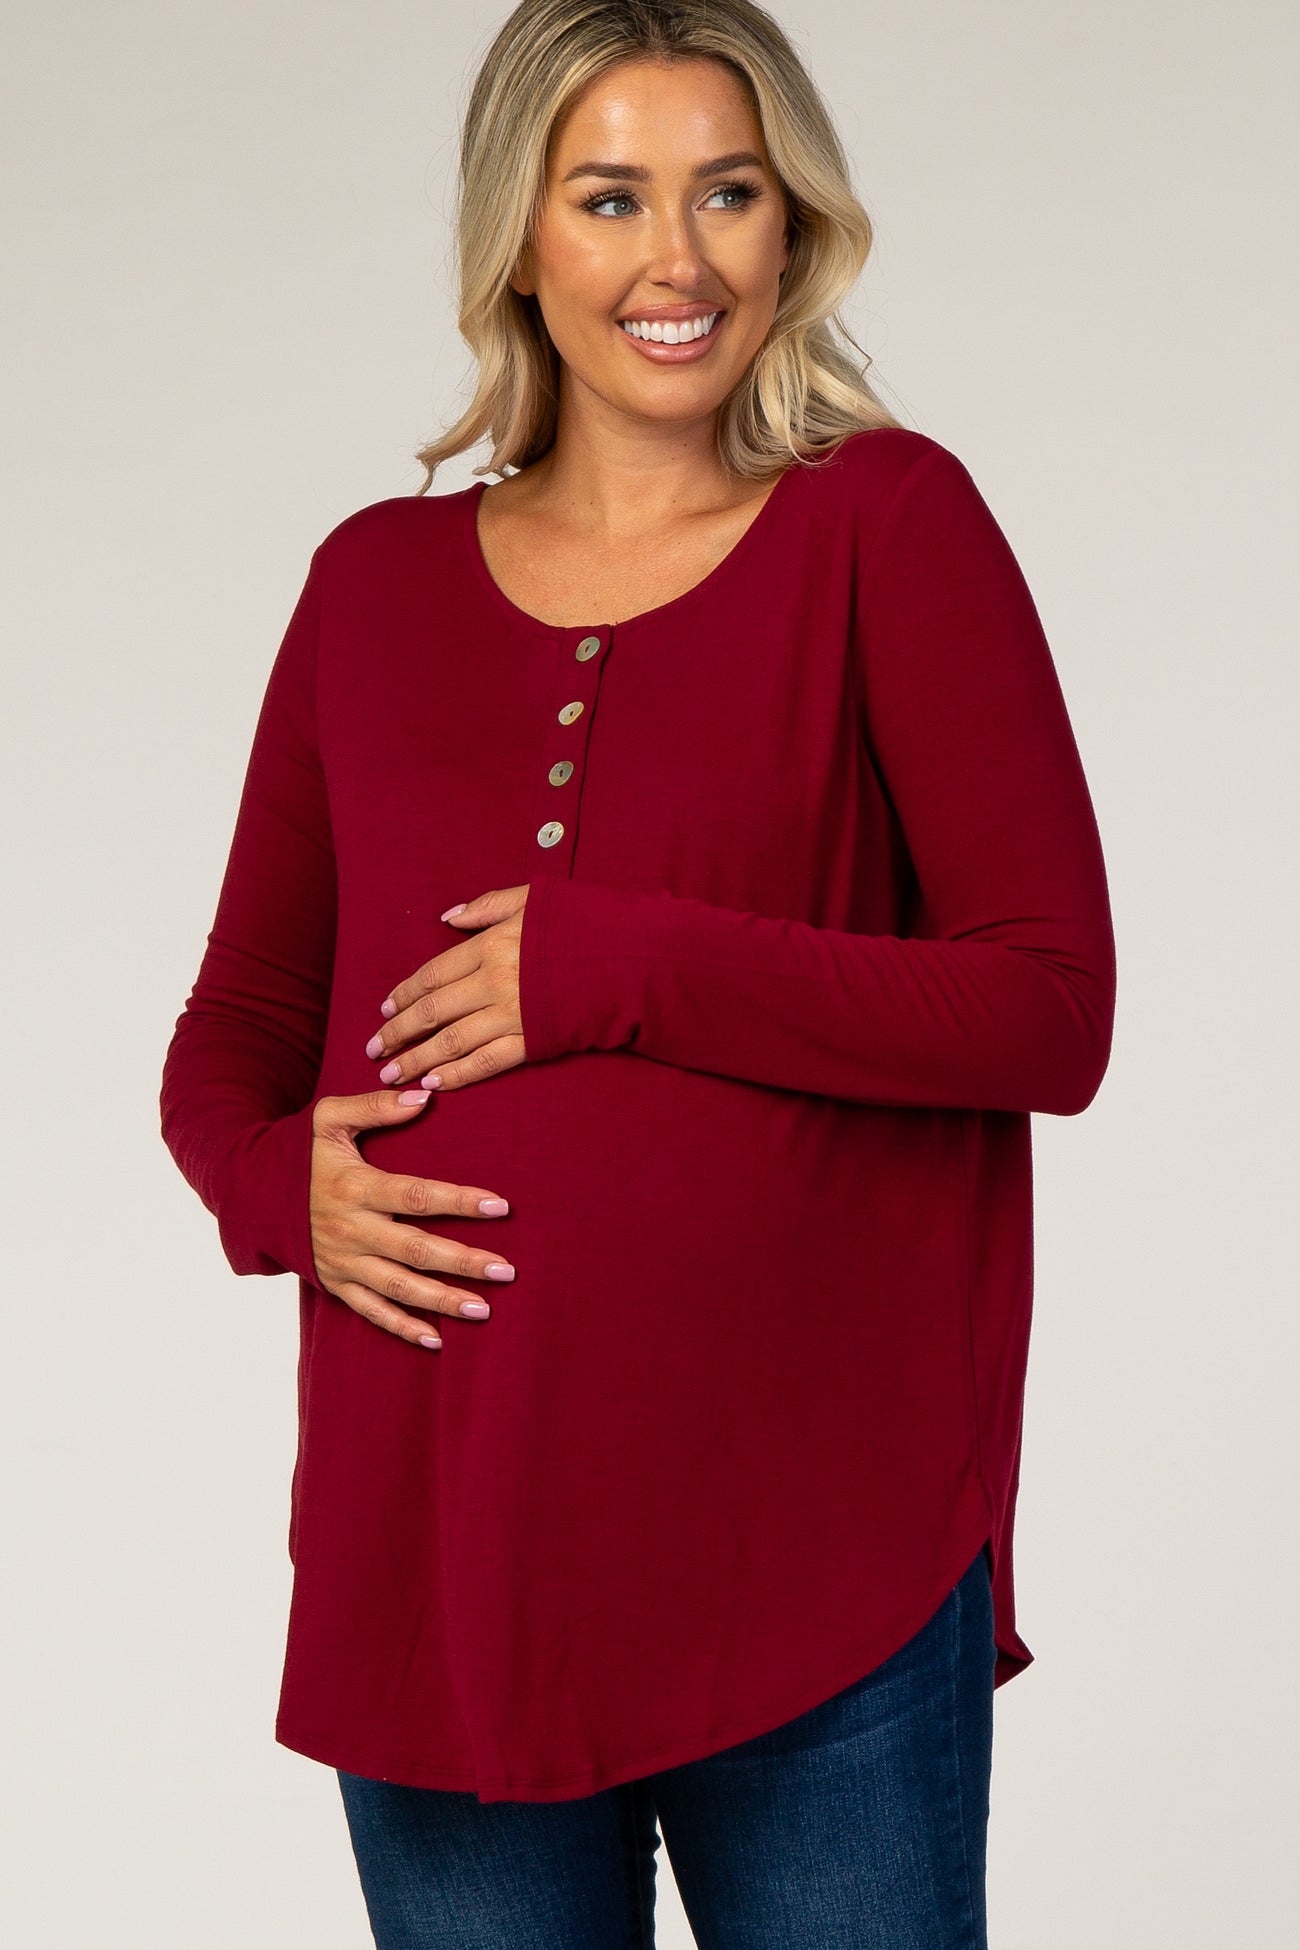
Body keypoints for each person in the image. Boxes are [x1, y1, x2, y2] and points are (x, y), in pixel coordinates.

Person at [159, 0, 1116, 1943]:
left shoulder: (887, 524)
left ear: (793, 225)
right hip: (443, 1560)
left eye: (726, 193)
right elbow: (235, 1029)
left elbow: (1046, 1005)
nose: (677, 259)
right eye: (610, 198)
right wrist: (280, 1191)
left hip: (821, 1546)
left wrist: (623, 959)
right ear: (519, 237)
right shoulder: (369, 585)